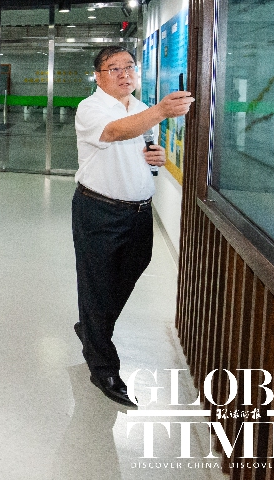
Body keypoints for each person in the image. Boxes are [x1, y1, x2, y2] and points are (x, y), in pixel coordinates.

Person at [72, 45, 193, 407]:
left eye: (129, 67)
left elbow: (141, 149)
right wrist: (161, 111)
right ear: (99, 77)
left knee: (131, 271)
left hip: (139, 212)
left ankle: (91, 328)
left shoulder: (141, 108)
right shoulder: (91, 108)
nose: (124, 74)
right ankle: (103, 367)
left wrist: (156, 158)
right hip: (100, 211)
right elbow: (113, 133)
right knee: (97, 286)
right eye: (114, 69)